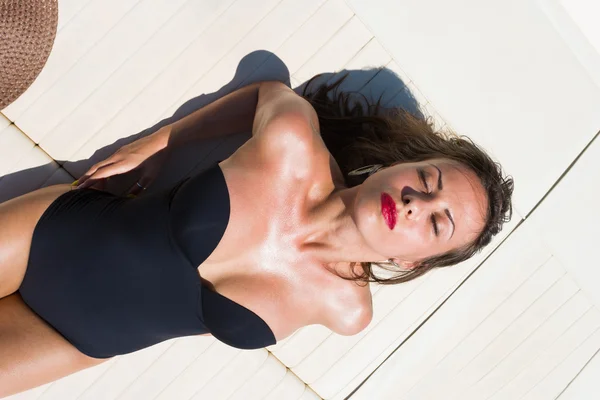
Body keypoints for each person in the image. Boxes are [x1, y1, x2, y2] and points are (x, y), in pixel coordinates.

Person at [0, 74, 513, 396]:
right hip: (49, 239)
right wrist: (159, 142)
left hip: (79, 341)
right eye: (426, 181)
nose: (416, 203)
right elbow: (267, 93)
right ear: (400, 166)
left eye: (436, 222)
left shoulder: (345, 311)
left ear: (415, 263)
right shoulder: (291, 146)